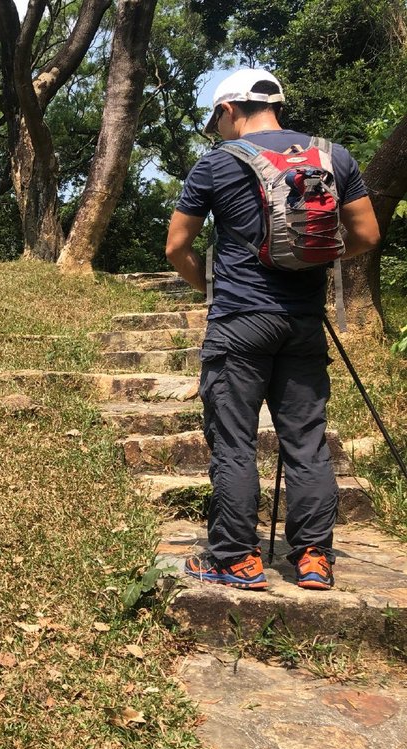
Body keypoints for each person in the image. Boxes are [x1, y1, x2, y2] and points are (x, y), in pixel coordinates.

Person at [165, 68, 380, 591]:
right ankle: (313, 559)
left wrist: (209, 288)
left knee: (235, 442)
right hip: (303, 322)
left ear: (230, 110)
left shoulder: (216, 164)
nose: (217, 129)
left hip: (239, 320)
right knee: (306, 442)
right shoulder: (333, 156)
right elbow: (367, 233)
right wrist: (315, 262)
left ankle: (235, 558)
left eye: (216, 118)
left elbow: (176, 248)